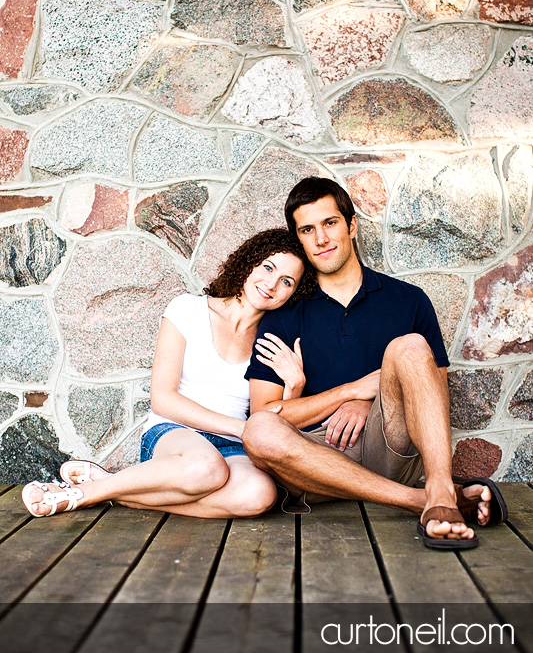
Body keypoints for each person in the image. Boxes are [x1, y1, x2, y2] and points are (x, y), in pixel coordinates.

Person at [242, 178, 508, 549]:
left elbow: (434, 393)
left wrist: (367, 403)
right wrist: (350, 391)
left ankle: (438, 489)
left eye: (330, 223)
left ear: (351, 226)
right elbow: (265, 415)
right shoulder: (282, 315)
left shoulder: (408, 300)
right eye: (307, 229)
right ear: (299, 239)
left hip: (390, 446)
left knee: (411, 347)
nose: (320, 238)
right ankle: (431, 501)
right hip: (315, 465)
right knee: (258, 432)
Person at [22, 229, 316, 520]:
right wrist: (240, 429)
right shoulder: (188, 309)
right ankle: (83, 495)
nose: (272, 284)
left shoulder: (272, 341)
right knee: (206, 467)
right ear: (250, 262)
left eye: (286, 281)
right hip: (174, 433)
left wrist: (295, 385)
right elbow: (162, 400)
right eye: (268, 267)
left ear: (293, 294)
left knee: (259, 494)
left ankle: (113, 489)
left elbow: (269, 415)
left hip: (234, 447)